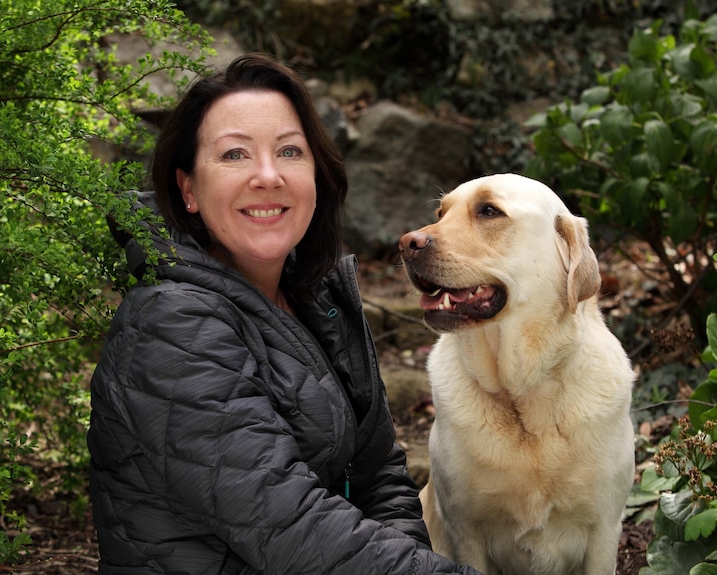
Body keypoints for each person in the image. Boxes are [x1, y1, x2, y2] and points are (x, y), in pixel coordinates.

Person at [87, 52, 484, 575]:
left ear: (316, 175)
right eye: (234, 155)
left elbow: (379, 475)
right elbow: (290, 526)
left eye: (289, 151)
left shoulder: (317, 298)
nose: (268, 176)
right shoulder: (169, 323)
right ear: (188, 188)